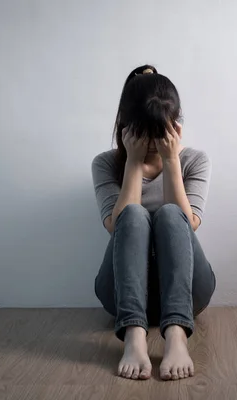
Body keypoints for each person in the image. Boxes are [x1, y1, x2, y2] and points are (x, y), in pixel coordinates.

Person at [91, 65, 216, 381]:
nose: (150, 140)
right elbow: (114, 226)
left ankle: (176, 335)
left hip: (188, 292)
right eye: (143, 130)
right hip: (123, 295)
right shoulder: (106, 164)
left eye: (158, 129)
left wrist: (172, 161)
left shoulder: (194, 160)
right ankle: (133, 336)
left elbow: (190, 226)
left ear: (174, 125)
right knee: (131, 215)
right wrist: (133, 163)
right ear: (125, 126)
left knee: (172, 214)